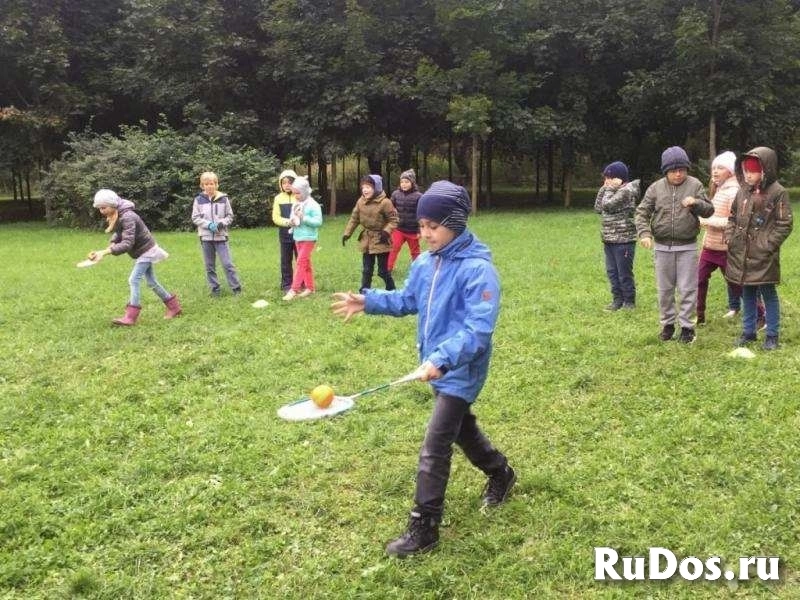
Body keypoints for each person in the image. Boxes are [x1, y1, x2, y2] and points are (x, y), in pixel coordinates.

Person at [331, 181, 516, 558]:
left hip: (460, 369)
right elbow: (407, 299)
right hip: (435, 365)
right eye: (423, 225)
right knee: (462, 430)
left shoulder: (479, 271)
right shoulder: (425, 262)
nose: (425, 233)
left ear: (456, 223)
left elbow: (478, 330)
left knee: (435, 444)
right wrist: (368, 301)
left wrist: (442, 358)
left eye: (434, 226)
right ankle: (501, 472)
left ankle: (424, 526)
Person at [635, 146, 714, 343]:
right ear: (666, 171)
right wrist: (644, 233)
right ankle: (668, 324)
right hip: (662, 248)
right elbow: (642, 212)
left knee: (688, 289)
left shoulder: (695, 185)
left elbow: (709, 210)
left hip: (687, 247)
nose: (678, 174)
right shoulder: (655, 188)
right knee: (665, 289)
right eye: (673, 171)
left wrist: (695, 203)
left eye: (682, 170)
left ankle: (687, 327)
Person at [725, 147, 793, 350]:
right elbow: (732, 217)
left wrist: (767, 246)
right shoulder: (742, 190)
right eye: (745, 170)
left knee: (768, 293)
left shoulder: (778, 192)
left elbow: (784, 224)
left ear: (764, 170)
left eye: (752, 171)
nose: (748, 174)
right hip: (741, 253)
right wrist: (731, 238)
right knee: (747, 292)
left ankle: (772, 335)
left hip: (764, 256)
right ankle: (748, 332)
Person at [87, 189, 182, 326]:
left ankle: (131, 316)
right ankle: (174, 308)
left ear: (112, 204)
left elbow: (127, 243)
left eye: (103, 207)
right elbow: (120, 232)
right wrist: (110, 245)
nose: (101, 211)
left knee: (133, 280)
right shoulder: (119, 214)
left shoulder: (128, 216)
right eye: (99, 208)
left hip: (146, 251)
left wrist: (105, 252)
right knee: (152, 282)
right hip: (143, 251)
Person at [593, 161, 640, 311]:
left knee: (624, 273)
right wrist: (605, 188)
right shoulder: (611, 190)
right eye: (605, 178)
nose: (606, 181)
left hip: (624, 240)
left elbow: (607, 205)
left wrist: (610, 188)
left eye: (609, 178)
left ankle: (629, 302)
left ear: (619, 178)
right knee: (612, 272)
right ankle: (617, 300)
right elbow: (598, 208)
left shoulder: (626, 191)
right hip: (609, 239)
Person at [342, 174, 399, 292]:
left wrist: (386, 231)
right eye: (363, 187)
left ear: (376, 187)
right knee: (367, 269)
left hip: (381, 240)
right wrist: (347, 233)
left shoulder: (385, 202)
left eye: (368, 187)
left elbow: (394, 220)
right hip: (366, 240)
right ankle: (364, 291)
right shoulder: (360, 202)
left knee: (382, 271)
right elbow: (354, 218)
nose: (365, 190)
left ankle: (392, 290)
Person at [191, 171, 243, 297]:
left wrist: (221, 223)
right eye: (206, 184)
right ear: (202, 185)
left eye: (212, 184)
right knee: (209, 266)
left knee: (227, 264)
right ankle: (215, 289)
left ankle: (236, 288)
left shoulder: (224, 199)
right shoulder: (198, 200)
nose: (209, 186)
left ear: (217, 184)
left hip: (221, 237)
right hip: (206, 237)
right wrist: (208, 225)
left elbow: (230, 216)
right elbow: (195, 217)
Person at [283, 176, 323, 301]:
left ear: (305, 191)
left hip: (309, 237)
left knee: (300, 262)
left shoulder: (313, 205)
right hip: (298, 236)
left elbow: (318, 222)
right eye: (294, 193)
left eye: (298, 193)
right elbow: (292, 216)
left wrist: (303, 217)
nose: (296, 195)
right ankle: (310, 288)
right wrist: (292, 221)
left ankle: (293, 289)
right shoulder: (296, 203)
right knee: (306, 263)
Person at [388, 169, 422, 272]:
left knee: (415, 252)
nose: (404, 184)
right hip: (399, 229)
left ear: (412, 182)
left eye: (406, 182)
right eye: (402, 182)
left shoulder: (419, 196)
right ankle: (388, 268)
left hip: (413, 231)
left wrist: (420, 230)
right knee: (393, 248)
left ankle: (418, 270)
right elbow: (389, 208)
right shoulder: (395, 194)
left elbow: (421, 215)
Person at [272, 168, 299, 292]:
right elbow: (275, 217)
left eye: (290, 182)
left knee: (301, 259)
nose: (287, 185)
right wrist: (288, 222)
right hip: (284, 235)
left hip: (300, 234)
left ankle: (302, 282)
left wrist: (298, 220)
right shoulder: (278, 198)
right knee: (286, 260)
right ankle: (287, 285)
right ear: (281, 184)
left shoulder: (300, 196)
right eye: (284, 183)